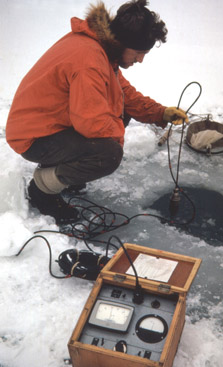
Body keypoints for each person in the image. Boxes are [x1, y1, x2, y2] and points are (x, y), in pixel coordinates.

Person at [6, 0, 188, 224]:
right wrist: (115, 139)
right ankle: (42, 189)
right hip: (34, 137)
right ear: (123, 43)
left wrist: (160, 113)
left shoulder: (102, 50)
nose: (140, 60)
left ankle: (66, 172)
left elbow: (123, 93)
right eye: (139, 53)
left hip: (49, 124)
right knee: (107, 154)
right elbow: (90, 123)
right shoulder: (89, 60)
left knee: (118, 115)